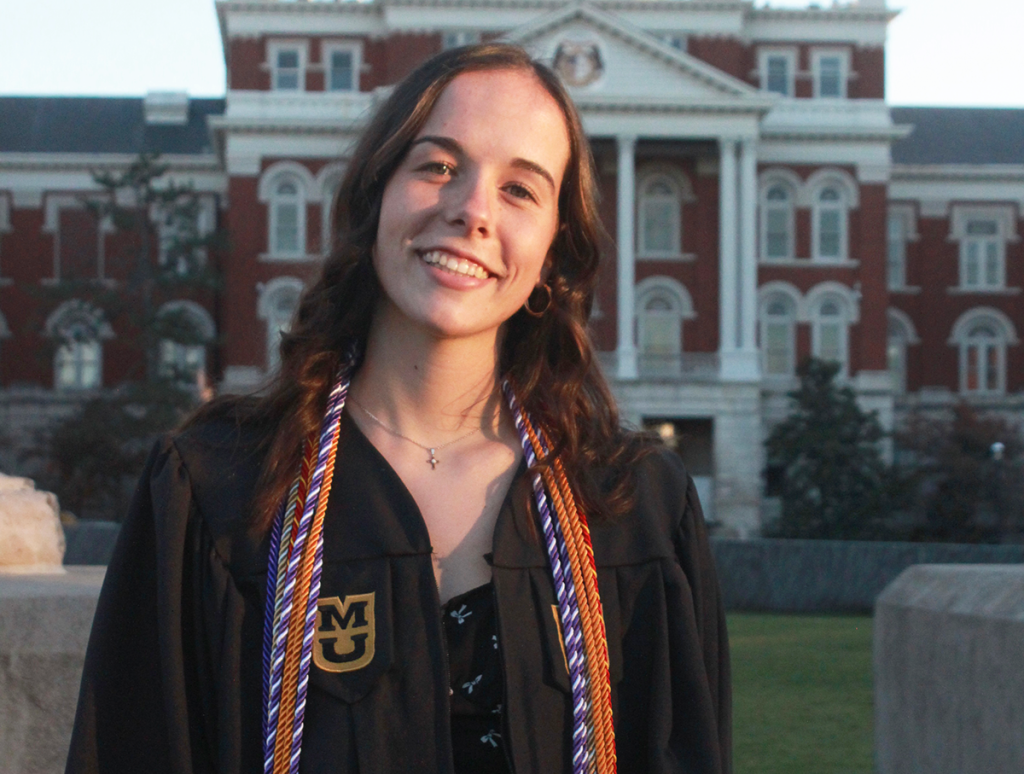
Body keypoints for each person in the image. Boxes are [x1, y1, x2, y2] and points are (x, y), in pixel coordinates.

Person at [66, 44, 730, 774]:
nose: (471, 210)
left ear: (552, 253)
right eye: (438, 165)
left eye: (520, 190)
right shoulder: (219, 494)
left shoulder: (635, 509)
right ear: (375, 195)